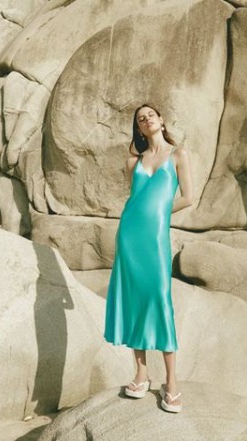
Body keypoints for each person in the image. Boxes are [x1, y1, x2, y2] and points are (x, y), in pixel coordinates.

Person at [103, 103, 194, 413]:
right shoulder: (134, 162)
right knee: (134, 301)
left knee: (159, 299)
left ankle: (171, 382)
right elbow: (136, 199)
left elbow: (189, 197)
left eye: (150, 115)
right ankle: (141, 374)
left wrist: (161, 211)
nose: (146, 120)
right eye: (140, 119)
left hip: (155, 238)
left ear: (161, 120)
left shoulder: (179, 154)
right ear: (139, 129)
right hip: (129, 235)